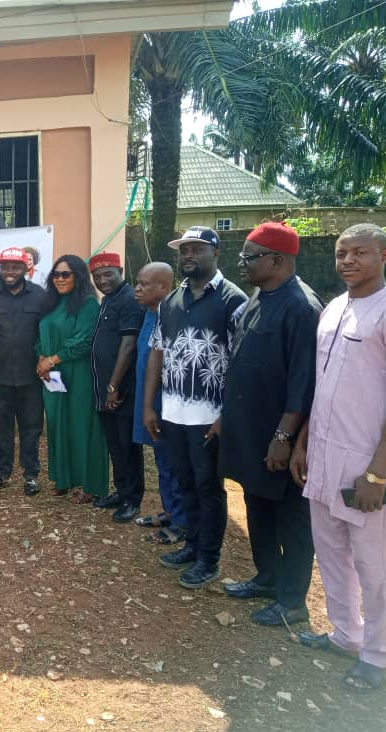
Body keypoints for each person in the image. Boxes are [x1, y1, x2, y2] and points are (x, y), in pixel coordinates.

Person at [291, 224, 386, 693]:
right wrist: (302, 442)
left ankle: (376, 656)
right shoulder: (334, 308)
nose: (348, 261)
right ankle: (344, 635)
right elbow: (324, 386)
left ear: (385, 255)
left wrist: (377, 472)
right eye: (341, 253)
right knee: (331, 553)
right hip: (323, 454)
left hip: (367, 462)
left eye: (359, 252)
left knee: (373, 566)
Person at [218, 223, 322, 626]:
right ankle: (266, 578)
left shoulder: (301, 307)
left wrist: (284, 437)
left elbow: (304, 382)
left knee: (291, 519)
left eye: (249, 256)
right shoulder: (261, 296)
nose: (241, 263)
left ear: (276, 260)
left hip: (279, 437)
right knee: (256, 504)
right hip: (249, 430)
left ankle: (292, 602)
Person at [143, 227, 247, 589]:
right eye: (184, 250)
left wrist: (225, 415)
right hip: (173, 411)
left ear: (215, 252)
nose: (188, 255)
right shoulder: (172, 301)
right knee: (184, 481)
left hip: (209, 416)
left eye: (196, 249)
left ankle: (209, 558)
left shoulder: (233, 300)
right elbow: (157, 352)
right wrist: (149, 406)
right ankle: (191, 544)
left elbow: (242, 362)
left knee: (208, 487)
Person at [0, 247, 48, 496]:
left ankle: (31, 475)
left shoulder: (40, 296)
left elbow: (46, 332)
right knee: (0, 428)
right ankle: (2, 473)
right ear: (0, 267)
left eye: (15, 267)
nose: (10, 271)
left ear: (25, 268)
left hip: (32, 377)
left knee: (31, 428)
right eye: (5, 266)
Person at [36, 255, 108, 500]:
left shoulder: (88, 304)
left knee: (80, 427)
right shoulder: (51, 303)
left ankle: (88, 485)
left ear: (78, 276)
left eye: (65, 274)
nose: (59, 279)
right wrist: (40, 359)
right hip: (52, 376)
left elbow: (84, 341)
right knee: (58, 425)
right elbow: (40, 335)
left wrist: (52, 359)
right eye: (56, 274)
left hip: (77, 375)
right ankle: (63, 479)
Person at [132, 262, 187, 545]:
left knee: (173, 462)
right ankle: (169, 511)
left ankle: (181, 522)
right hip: (148, 401)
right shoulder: (150, 314)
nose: (137, 289)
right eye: (137, 283)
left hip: (166, 405)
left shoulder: (174, 317)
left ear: (163, 287)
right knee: (161, 461)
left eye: (144, 284)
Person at [89, 252, 146, 522]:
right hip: (106, 389)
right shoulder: (108, 300)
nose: (102, 280)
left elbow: (128, 344)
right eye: (97, 276)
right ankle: (121, 491)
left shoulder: (129, 300)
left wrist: (113, 385)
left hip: (122, 390)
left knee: (127, 447)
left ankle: (132, 500)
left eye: (107, 274)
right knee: (115, 444)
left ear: (120, 271)